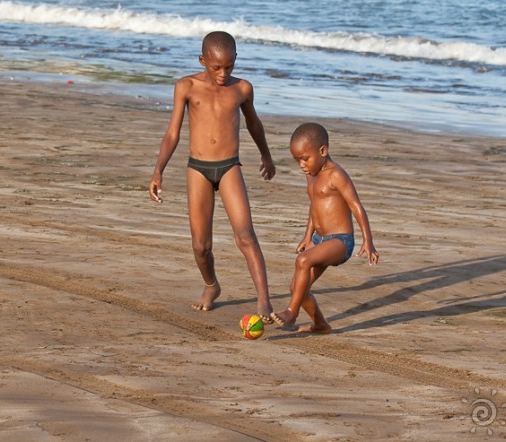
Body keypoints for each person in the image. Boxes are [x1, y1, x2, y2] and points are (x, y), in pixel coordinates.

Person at [149, 31, 276, 322]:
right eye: (216, 67)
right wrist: (158, 171)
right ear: (202, 60)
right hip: (198, 169)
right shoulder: (187, 87)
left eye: (229, 66)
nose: (223, 73)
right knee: (200, 245)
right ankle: (211, 285)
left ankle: (264, 301)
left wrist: (266, 156)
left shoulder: (242, 89)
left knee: (246, 236)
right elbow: (172, 133)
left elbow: (254, 125)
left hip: (230, 166)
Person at [271, 123, 379, 333]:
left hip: (340, 241)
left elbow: (356, 206)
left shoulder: (336, 175)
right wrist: (307, 236)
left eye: (305, 158)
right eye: (297, 160)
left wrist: (368, 241)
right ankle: (321, 324)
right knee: (297, 288)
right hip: (320, 240)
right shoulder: (311, 174)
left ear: (323, 151)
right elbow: (315, 206)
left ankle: (291, 314)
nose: (302, 165)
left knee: (303, 261)